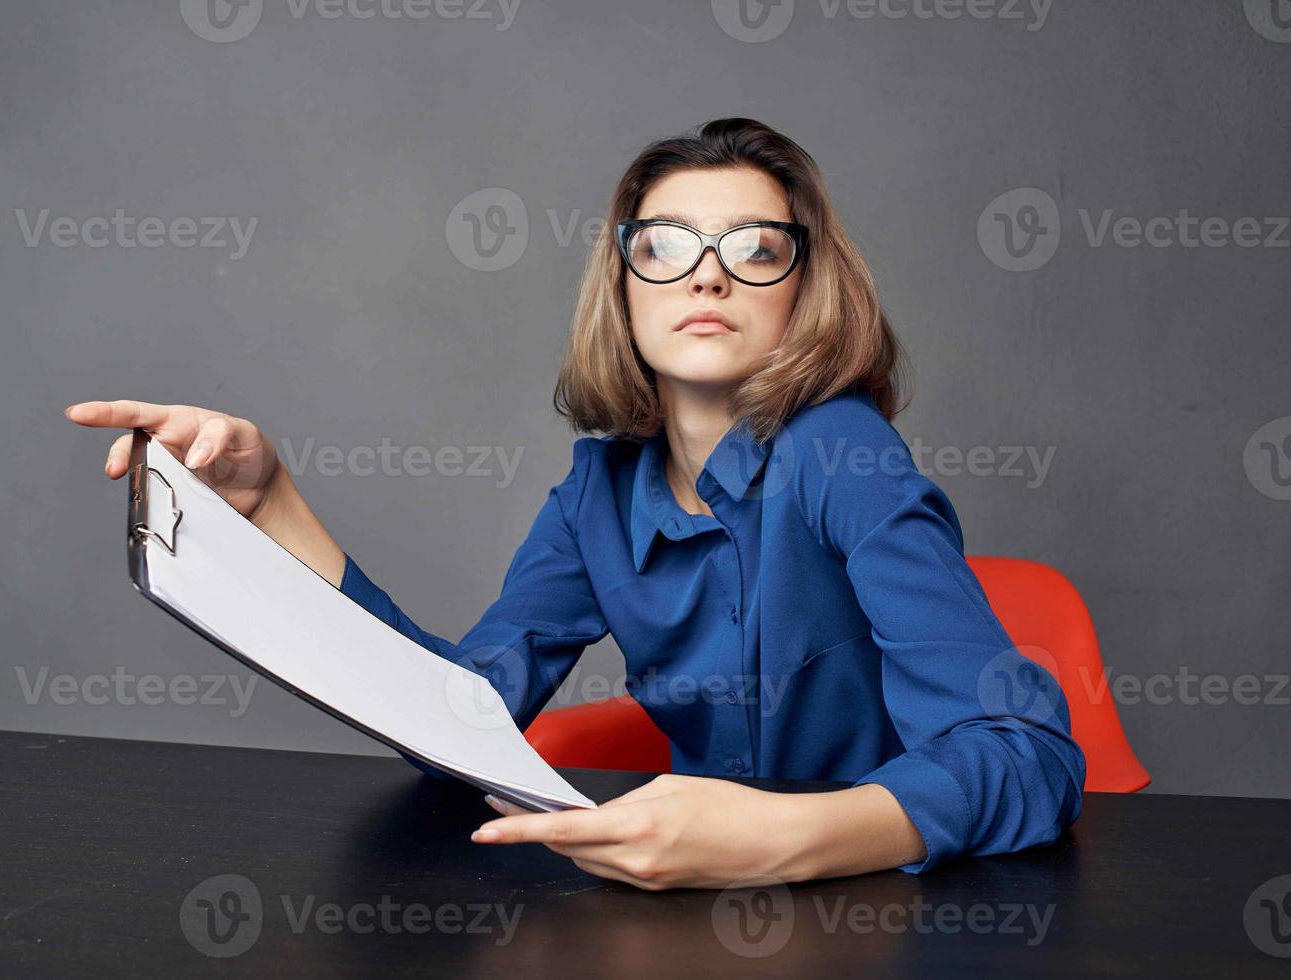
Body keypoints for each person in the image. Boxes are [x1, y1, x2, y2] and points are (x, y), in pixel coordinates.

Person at [66, 117, 1084, 891]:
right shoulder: (596, 492)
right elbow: (460, 718)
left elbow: (1032, 755)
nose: (709, 278)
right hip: (691, 920)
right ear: (626, 284)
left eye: (756, 249)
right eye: (667, 246)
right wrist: (275, 501)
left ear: (802, 289)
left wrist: (779, 838)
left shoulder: (840, 452)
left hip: (890, 908)